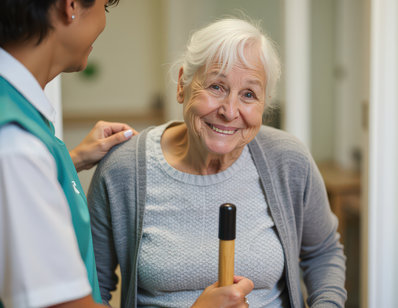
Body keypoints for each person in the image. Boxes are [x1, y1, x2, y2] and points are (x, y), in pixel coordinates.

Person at [88, 18, 347, 308]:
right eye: (216, 87)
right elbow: (93, 287)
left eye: (249, 94)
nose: (230, 111)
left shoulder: (288, 159)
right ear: (182, 85)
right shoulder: (123, 169)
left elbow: (323, 252)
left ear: (265, 102)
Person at [0, 0, 138, 307]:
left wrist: (67, 162)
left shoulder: (19, 120)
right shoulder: (16, 144)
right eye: (105, 6)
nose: (103, 22)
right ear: (71, 6)